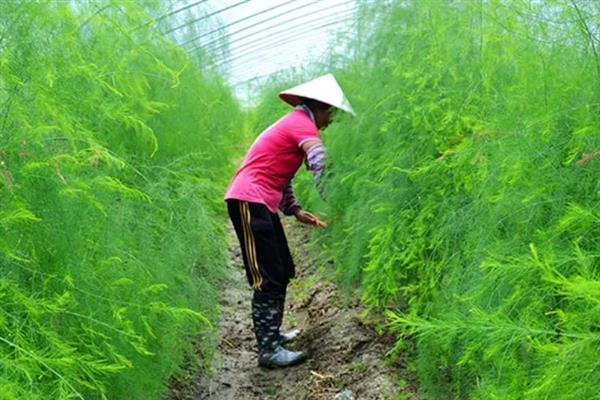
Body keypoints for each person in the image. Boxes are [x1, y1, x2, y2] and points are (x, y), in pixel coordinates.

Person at [224, 73, 354, 368]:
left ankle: (273, 335)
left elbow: (280, 173)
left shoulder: (295, 124)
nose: (331, 120)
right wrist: (339, 200)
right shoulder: (302, 125)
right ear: (319, 106)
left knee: (281, 269)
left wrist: (294, 210)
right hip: (248, 200)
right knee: (266, 277)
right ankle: (268, 350)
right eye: (331, 112)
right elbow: (320, 162)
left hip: (261, 201)